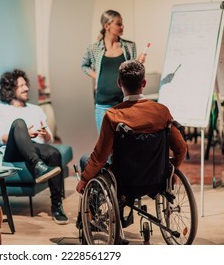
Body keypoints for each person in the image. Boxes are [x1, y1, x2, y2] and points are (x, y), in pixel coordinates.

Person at [76, 60, 187, 194]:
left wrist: (84, 179)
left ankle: (93, 211)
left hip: (124, 181)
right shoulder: (162, 112)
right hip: (157, 177)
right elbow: (181, 147)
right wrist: (173, 169)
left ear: (119, 83)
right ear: (144, 83)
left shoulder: (113, 116)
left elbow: (100, 157)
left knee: (85, 159)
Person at [0, 69, 68, 225]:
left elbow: (48, 139)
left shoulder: (35, 109)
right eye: (21, 86)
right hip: (12, 150)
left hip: (33, 147)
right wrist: (24, 133)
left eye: (26, 84)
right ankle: (37, 164)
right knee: (19, 123)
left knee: (54, 153)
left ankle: (57, 206)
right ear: (10, 89)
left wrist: (45, 133)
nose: (26, 88)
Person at [81, 9, 146, 133]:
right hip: (102, 105)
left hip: (125, 103)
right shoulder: (94, 48)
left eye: (122, 23)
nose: (122, 26)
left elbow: (133, 70)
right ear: (107, 26)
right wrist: (98, 76)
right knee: (106, 144)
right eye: (118, 24)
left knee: (126, 143)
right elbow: (84, 65)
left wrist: (139, 62)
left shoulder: (129, 46)